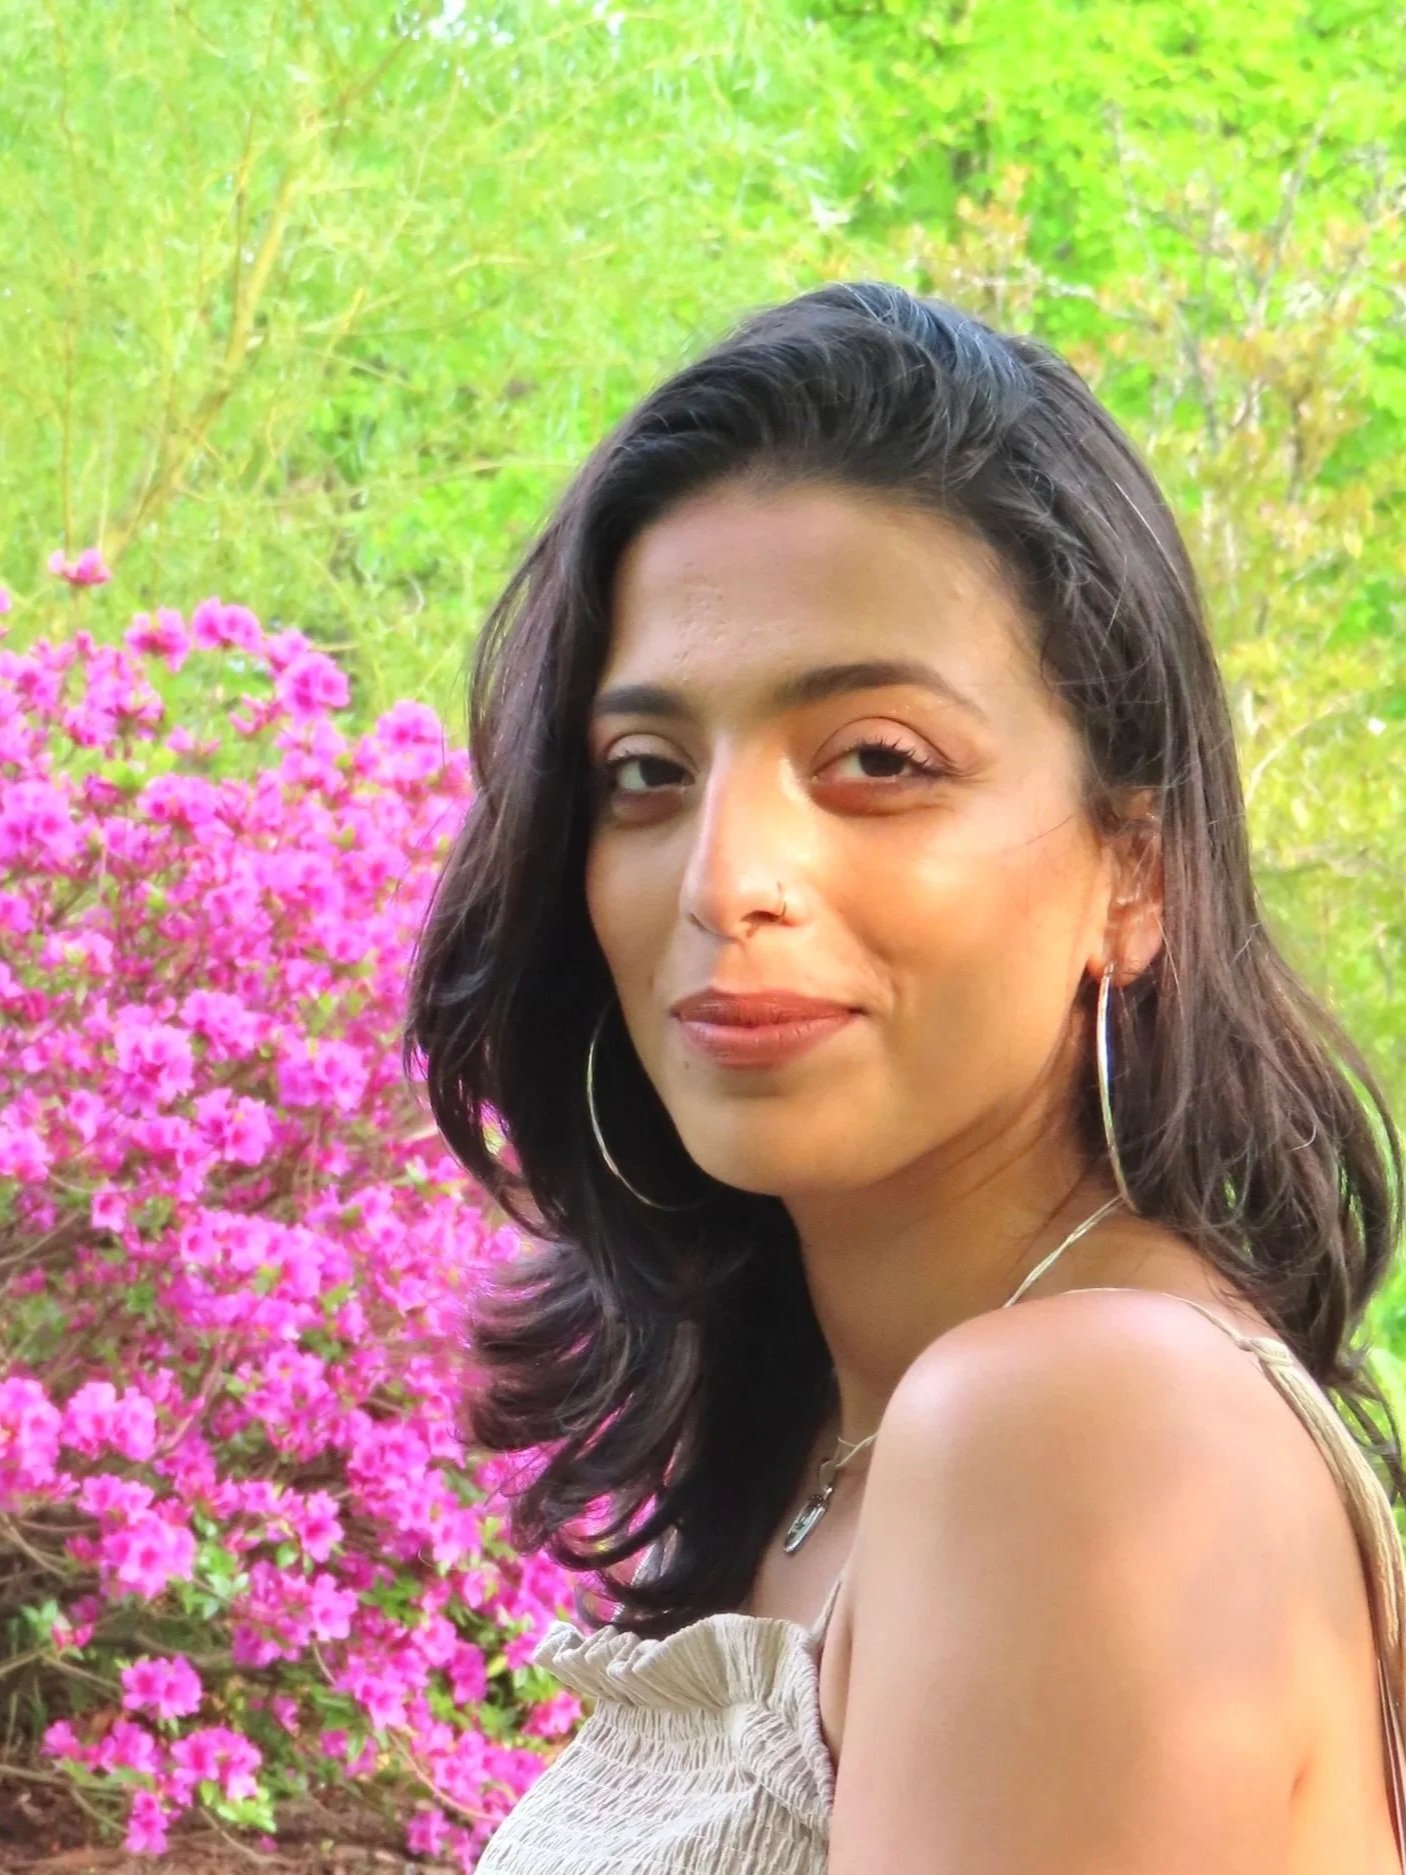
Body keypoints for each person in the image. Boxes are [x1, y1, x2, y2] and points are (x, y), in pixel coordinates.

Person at [407, 282, 1406, 1873]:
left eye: (876, 760)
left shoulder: (1080, 1430)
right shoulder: (841, 1427)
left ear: (1131, 874)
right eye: (647, 775)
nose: (723, 878)